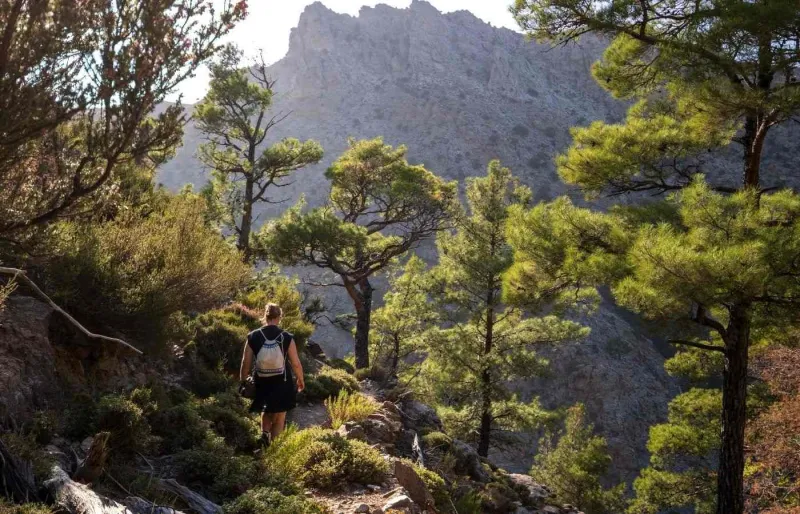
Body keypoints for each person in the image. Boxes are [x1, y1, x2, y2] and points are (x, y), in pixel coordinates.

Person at [239, 303, 304, 448]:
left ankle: (264, 434)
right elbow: (296, 363)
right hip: (283, 381)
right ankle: (273, 449)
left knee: (265, 408)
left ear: (265, 316)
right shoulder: (286, 337)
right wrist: (300, 379)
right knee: (280, 416)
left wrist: (243, 380)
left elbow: (245, 361)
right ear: (279, 317)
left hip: (261, 379)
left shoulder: (253, 336)